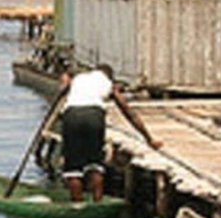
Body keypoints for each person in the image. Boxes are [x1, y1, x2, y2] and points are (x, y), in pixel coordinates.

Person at [57, 63, 161, 202]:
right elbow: (129, 113)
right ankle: (97, 204)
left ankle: (77, 206)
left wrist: (65, 82)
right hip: (94, 116)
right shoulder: (108, 84)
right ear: (109, 77)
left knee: (73, 168)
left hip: (72, 115)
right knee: (95, 165)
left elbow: (63, 88)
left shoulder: (79, 78)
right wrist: (149, 138)